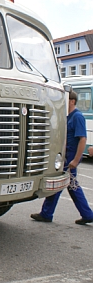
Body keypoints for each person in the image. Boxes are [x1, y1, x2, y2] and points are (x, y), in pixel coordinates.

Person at [31, 90, 93, 225]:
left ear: (72, 101)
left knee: (59, 184)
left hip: (70, 156)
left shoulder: (77, 117)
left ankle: (47, 213)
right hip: (66, 156)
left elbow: (82, 139)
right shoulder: (68, 116)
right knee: (72, 186)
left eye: (66, 99)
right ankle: (87, 214)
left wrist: (76, 160)